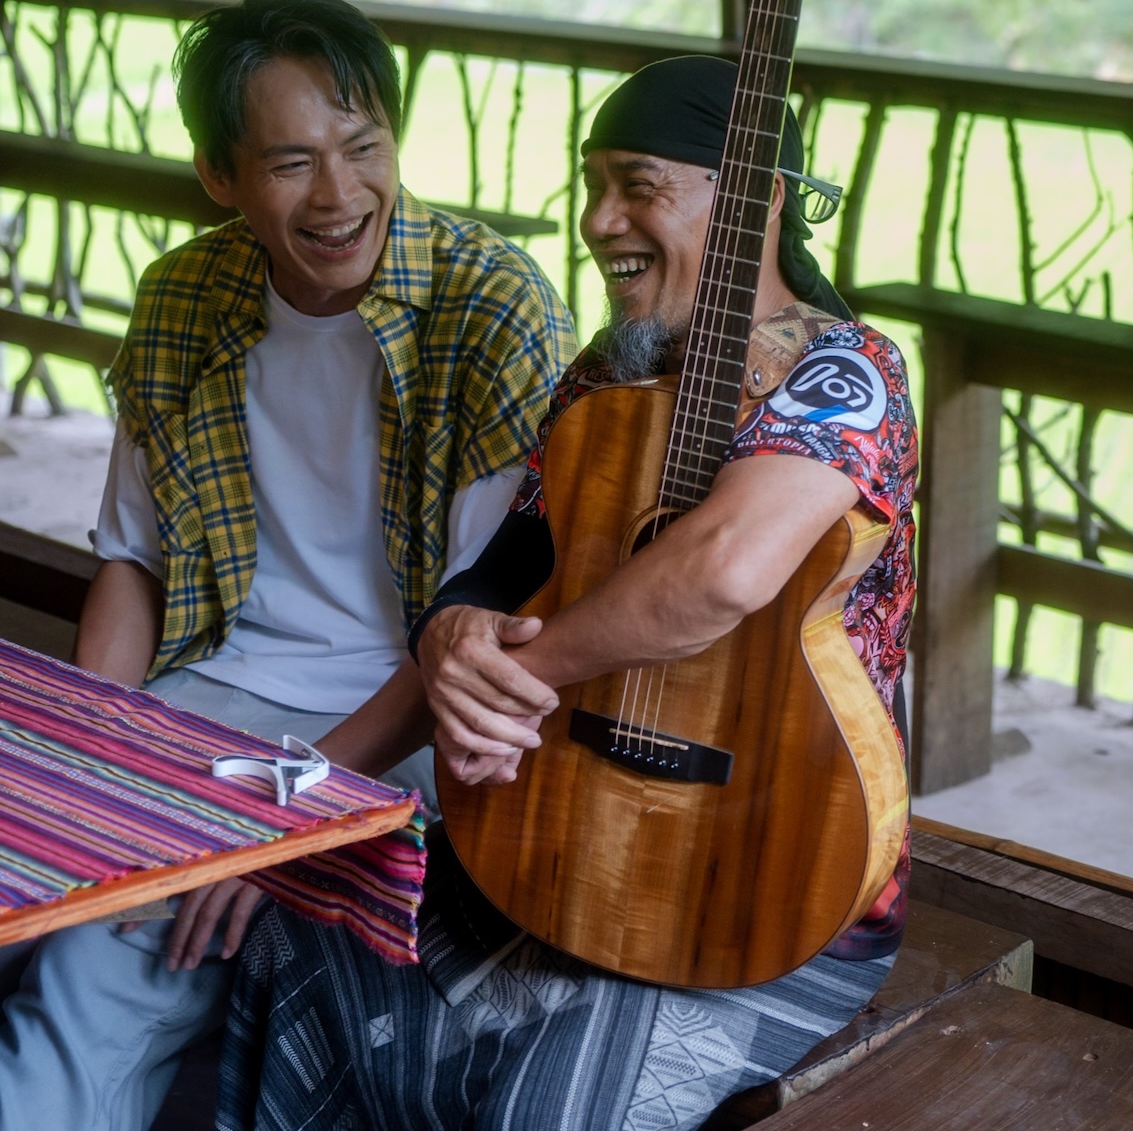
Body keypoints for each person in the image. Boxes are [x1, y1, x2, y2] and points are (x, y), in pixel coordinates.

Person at [217, 55, 917, 1131]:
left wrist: (516, 681)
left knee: (551, 1109)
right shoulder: (608, 372)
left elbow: (725, 569)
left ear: (755, 200)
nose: (598, 220)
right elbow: (505, 566)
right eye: (593, 184)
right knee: (291, 933)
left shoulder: (846, 375)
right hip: (556, 844)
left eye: (638, 184)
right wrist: (315, 791)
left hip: (768, 885)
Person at [0, 0, 575, 1130]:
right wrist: (82, 761)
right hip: (210, 697)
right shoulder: (185, 297)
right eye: (293, 162)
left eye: (364, 148)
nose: (339, 195)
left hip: (403, 728)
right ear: (223, 176)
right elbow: (135, 562)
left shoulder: (491, 309)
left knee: (104, 960)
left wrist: (281, 832)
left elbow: (470, 647)